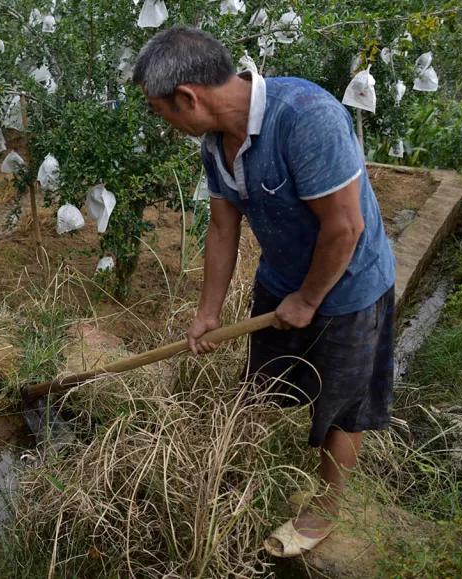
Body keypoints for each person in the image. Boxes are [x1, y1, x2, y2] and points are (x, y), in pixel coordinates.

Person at [133, 27, 396, 557]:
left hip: (350, 287)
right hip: (281, 279)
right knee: (265, 386)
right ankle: (262, 467)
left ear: (188, 97)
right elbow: (222, 227)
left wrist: (309, 299)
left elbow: (345, 227)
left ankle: (326, 506)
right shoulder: (215, 142)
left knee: (343, 406)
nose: (165, 124)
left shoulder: (306, 117)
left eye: (162, 112)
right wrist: (208, 313)